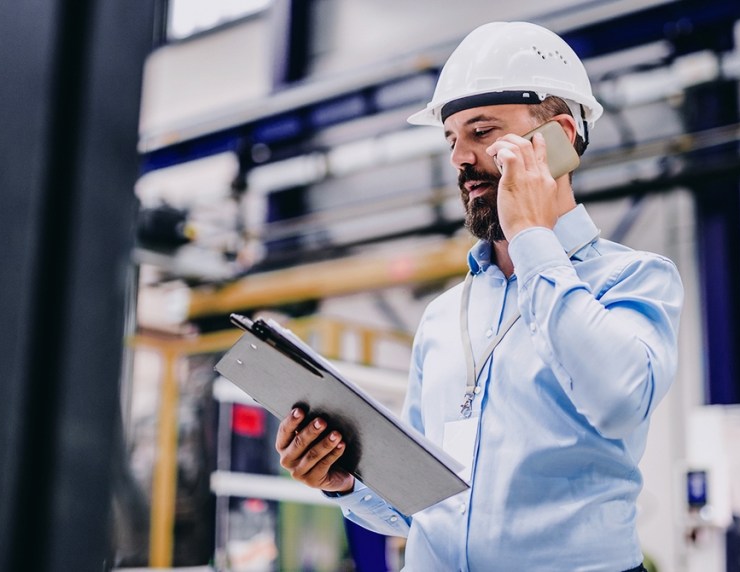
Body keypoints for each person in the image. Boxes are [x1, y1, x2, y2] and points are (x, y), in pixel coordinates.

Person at [274, 21, 683, 571]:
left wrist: (533, 236)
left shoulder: (634, 280)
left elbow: (616, 400)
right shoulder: (446, 315)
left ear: (558, 137)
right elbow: (417, 502)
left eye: (482, 132)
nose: (459, 159)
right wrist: (344, 482)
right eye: (451, 139)